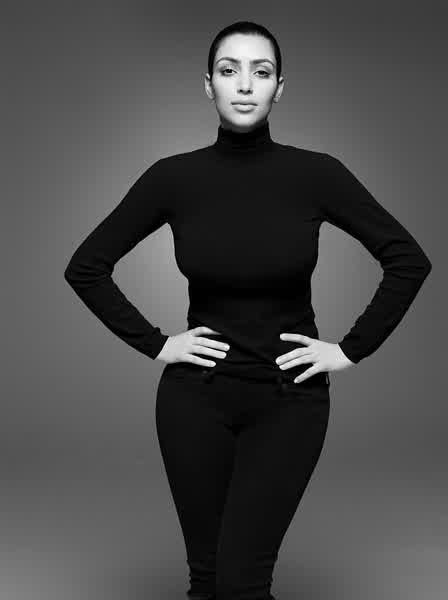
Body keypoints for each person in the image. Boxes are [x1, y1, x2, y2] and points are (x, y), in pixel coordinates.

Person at [64, 20, 432, 600]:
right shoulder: (174, 178)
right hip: (194, 401)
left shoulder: (316, 174)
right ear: (207, 84)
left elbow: (408, 260)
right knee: (207, 581)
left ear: (278, 88)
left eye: (260, 72)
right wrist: (158, 344)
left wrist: (349, 350)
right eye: (228, 70)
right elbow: (85, 267)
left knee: (242, 583)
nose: (243, 84)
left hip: (288, 402)